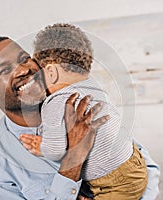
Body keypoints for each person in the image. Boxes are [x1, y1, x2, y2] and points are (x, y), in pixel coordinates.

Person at [0, 36, 160, 199]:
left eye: (24, 58)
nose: (24, 70)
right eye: (4, 70)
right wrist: (74, 155)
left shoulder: (78, 103)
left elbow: (146, 167)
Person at [19, 23, 147, 200]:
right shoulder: (93, 86)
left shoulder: (55, 102)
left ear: (50, 71)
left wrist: (41, 147)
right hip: (134, 161)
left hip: (114, 182)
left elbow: (56, 151)